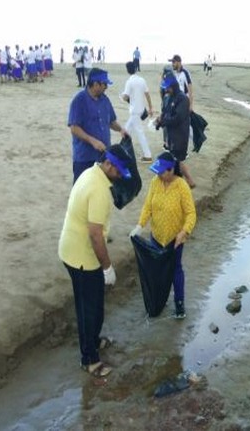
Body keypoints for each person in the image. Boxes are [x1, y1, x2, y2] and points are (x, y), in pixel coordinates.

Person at [58, 143, 133, 378]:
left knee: (92, 303)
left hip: (72, 249)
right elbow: (95, 235)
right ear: (108, 164)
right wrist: (108, 267)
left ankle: (93, 340)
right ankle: (89, 359)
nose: (120, 175)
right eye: (119, 170)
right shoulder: (99, 190)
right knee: (88, 309)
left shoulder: (91, 172)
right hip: (81, 256)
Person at [130, 152, 197, 318]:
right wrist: (140, 225)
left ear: (171, 170)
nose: (158, 175)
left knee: (175, 270)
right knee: (156, 271)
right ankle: (158, 299)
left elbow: (191, 214)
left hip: (175, 239)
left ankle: (179, 303)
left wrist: (184, 232)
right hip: (156, 237)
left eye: (161, 172)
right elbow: (148, 206)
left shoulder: (181, 186)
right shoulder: (155, 182)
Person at [68, 68, 129, 183]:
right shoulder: (79, 100)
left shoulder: (105, 100)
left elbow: (111, 121)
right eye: (104, 84)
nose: (106, 87)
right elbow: (74, 128)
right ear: (95, 84)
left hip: (104, 157)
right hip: (84, 157)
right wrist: (93, 141)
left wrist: (121, 129)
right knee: (82, 187)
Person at [156, 74, 196, 188]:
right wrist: (159, 121)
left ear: (173, 86)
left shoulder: (183, 99)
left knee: (176, 160)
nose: (166, 89)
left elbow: (177, 118)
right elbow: (165, 113)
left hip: (180, 135)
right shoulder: (168, 97)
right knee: (176, 160)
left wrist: (163, 121)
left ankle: (182, 183)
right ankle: (189, 181)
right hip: (171, 134)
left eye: (167, 87)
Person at [122, 61, 154, 163]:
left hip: (134, 111)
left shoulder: (129, 82)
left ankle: (148, 155)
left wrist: (122, 96)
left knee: (138, 133)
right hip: (140, 109)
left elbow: (126, 96)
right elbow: (147, 94)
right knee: (126, 130)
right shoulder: (142, 80)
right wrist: (150, 107)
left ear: (128, 70)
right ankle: (122, 151)